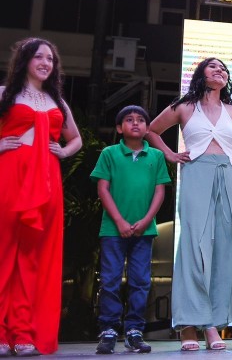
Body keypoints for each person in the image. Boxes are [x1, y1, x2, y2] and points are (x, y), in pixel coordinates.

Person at [145, 57, 232, 351]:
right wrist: (170, 154)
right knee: (194, 248)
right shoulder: (185, 107)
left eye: (223, 68)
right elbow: (151, 131)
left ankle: (212, 324)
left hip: (231, 176)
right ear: (201, 74)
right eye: (213, 67)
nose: (220, 70)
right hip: (197, 173)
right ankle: (188, 324)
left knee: (226, 249)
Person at [0, 37, 82, 356]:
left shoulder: (57, 101)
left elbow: (75, 139)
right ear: (25, 60)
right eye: (39, 57)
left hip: (47, 179)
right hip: (11, 174)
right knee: (5, 252)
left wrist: (63, 151)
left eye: (50, 58)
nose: (45, 63)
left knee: (32, 257)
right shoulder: (5, 94)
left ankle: (23, 333)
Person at [92, 105, 171, 354]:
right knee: (110, 280)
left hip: (143, 231)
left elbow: (160, 191)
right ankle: (108, 329)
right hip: (113, 230)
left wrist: (147, 220)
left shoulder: (156, 156)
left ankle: (135, 330)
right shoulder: (110, 153)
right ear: (119, 128)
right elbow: (103, 189)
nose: (135, 123)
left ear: (147, 128)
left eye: (140, 120)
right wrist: (119, 221)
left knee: (140, 281)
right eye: (129, 119)